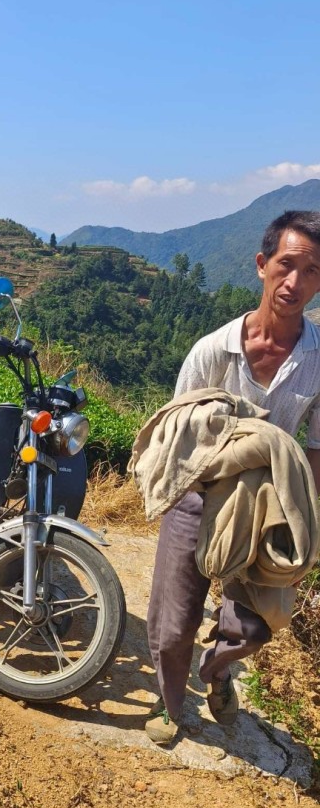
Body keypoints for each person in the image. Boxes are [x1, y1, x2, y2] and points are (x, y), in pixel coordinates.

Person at [144, 210, 320, 744]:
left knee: (254, 624)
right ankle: (171, 704)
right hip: (197, 497)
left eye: (312, 271)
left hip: (271, 506)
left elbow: (315, 448)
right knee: (173, 620)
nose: (296, 282)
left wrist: (307, 518)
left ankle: (218, 673)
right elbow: (177, 432)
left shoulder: (317, 361)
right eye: (287, 265)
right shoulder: (212, 351)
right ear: (262, 265)